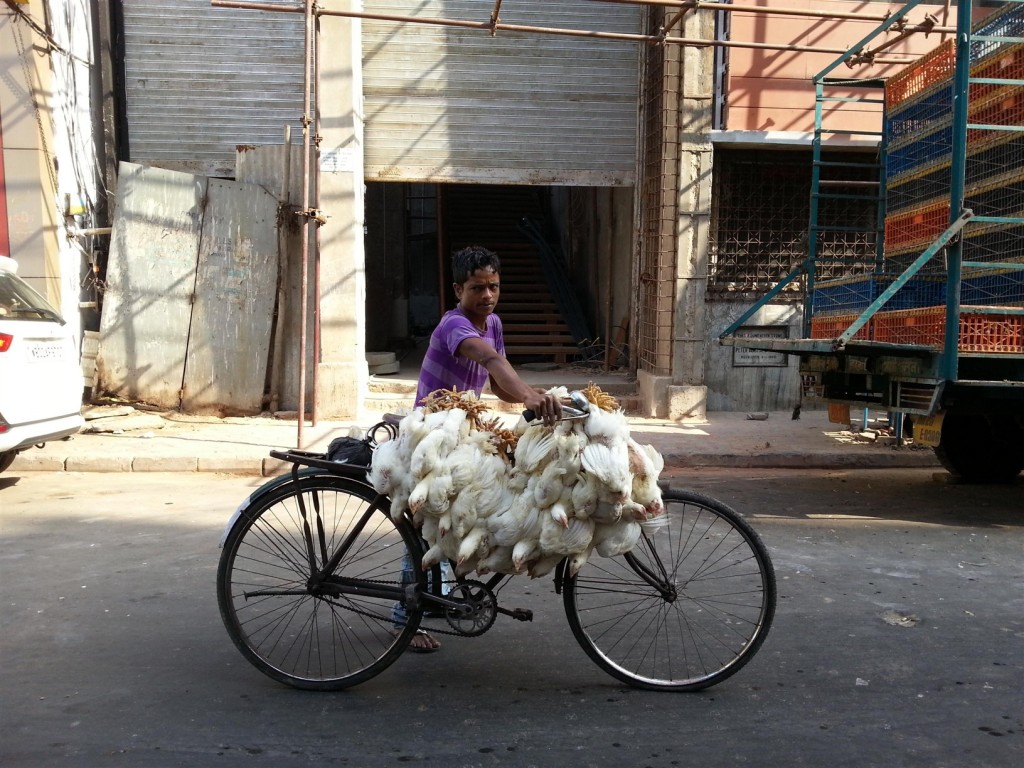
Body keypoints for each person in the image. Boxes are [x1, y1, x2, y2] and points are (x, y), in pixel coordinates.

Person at [394, 245, 564, 652]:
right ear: (458, 289)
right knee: (423, 522)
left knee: (468, 508)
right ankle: (405, 619)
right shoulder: (454, 326)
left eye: (493, 287)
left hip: (464, 431)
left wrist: (534, 395)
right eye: (477, 288)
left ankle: (436, 593)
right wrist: (529, 396)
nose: (487, 296)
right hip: (432, 434)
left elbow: (502, 384)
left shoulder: (494, 323)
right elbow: (487, 359)